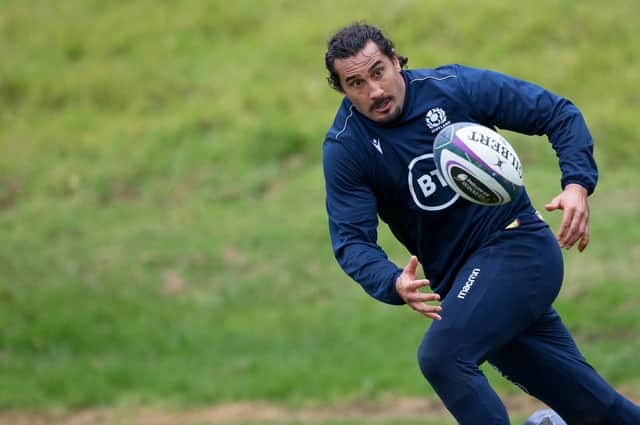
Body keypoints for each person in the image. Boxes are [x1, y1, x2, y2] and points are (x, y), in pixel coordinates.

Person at [321, 22, 640, 425]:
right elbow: (351, 240)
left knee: (441, 357)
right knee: (596, 410)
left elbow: (557, 113)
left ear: (396, 61)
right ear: (341, 89)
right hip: (464, 289)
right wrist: (392, 281)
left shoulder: (452, 87)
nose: (375, 91)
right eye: (356, 83)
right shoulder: (347, 148)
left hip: (518, 247)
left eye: (378, 71)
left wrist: (577, 184)